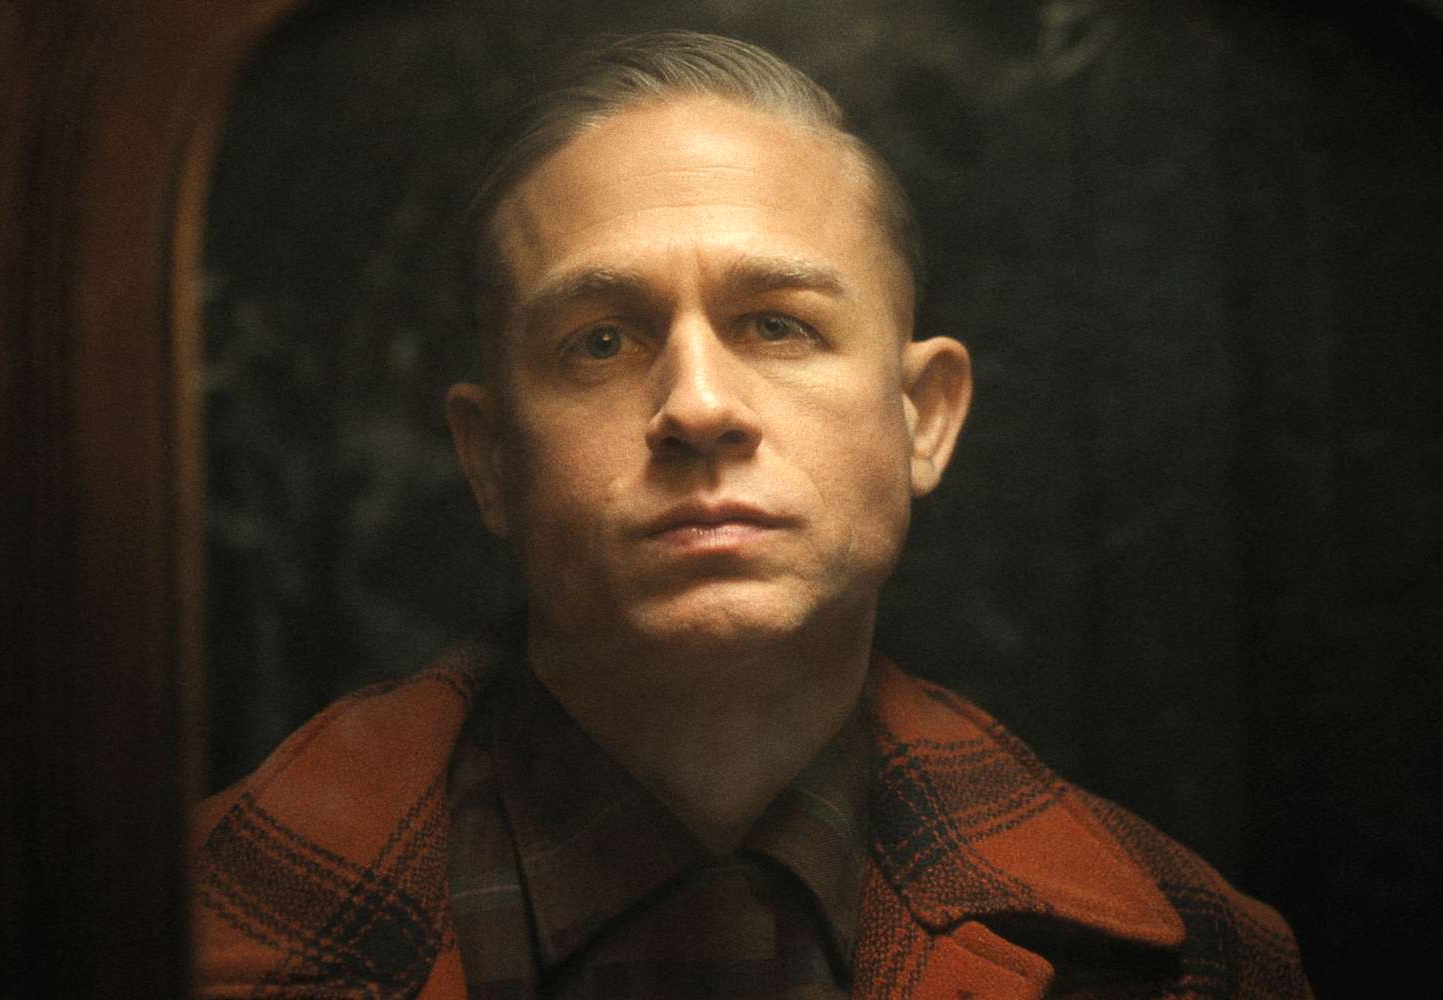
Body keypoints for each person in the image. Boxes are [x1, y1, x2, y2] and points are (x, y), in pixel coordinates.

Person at [191, 30, 1311, 999]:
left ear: (923, 418)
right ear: (491, 460)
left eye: (779, 324)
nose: (699, 406)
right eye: (601, 340)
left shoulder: (1199, 966)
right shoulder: (171, 936)